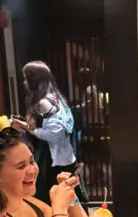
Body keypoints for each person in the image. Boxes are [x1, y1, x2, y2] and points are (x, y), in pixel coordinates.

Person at [17, 60, 88, 204]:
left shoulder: (44, 102)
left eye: (26, 78)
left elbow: (55, 135)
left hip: (52, 160)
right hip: (63, 156)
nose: (24, 82)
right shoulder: (56, 96)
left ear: (34, 80)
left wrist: (29, 128)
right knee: (68, 198)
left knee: (52, 200)